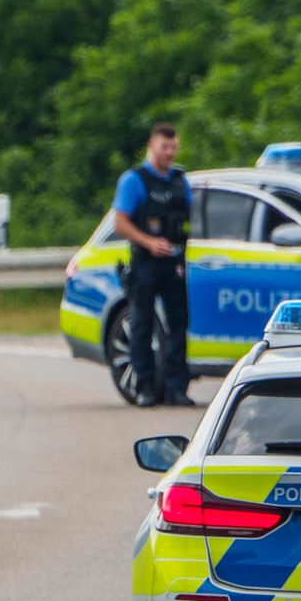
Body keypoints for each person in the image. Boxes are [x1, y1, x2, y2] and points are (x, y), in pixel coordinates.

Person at [113, 122, 196, 407]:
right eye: (164, 147)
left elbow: (192, 216)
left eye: (173, 147)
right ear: (151, 146)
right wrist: (149, 242)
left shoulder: (179, 180)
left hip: (174, 261)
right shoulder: (134, 180)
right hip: (145, 261)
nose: (169, 153)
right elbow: (120, 223)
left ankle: (176, 389)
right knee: (142, 325)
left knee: (178, 324)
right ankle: (146, 387)